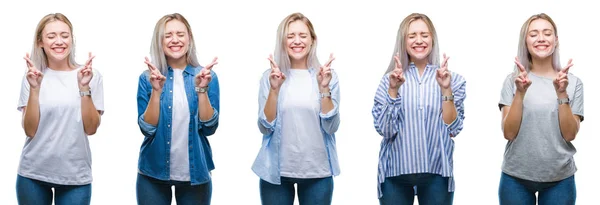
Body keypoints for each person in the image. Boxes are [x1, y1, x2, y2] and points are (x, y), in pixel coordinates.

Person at [372, 13, 466, 205]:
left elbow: (453, 129)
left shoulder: (453, 79)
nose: (419, 40)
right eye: (412, 35)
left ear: (432, 38)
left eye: (424, 34)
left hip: (437, 172)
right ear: (403, 41)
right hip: (395, 173)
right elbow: (385, 130)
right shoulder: (389, 80)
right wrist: (393, 90)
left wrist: (445, 89)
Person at [251, 12, 341, 205]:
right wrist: (274, 90)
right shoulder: (270, 76)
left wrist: (324, 87)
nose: (296, 41)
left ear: (312, 40)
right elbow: (265, 128)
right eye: (290, 36)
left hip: (318, 171)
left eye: (302, 35)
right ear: (282, 41)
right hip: (275, 172)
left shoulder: (327, 77)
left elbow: (331, 127)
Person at [15, 13, 104, 205]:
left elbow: (91, 129)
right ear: (40, 42)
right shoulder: (32, 76)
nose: (59, 41)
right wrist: (35, 88)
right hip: (33, 175)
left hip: (75, 176)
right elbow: (30, 130)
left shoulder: (90, 75)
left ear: (72, 39)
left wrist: (84, 88)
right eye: (51, 36)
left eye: (65, 35)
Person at [135, 13, 220, 205]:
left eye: (180, 34)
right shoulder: (147, 78)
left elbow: (209, 128)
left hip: (196, 173)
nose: (175, 40)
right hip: (152, 173)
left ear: (189, 38)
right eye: (168, 35)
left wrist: (201, 89)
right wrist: (156, 92)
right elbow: (147, 129)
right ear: (160, 41)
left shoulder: (207, 76)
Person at [497, 13, 582, 205]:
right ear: (525, 41)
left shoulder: (573, 83)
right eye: (534, 34)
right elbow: (508, 133)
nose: (541, 38)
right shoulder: (513, 81)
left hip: (560, 179)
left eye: (547, 33)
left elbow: (570, 134)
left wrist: (562, 94)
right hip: (515, 178)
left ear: (556, 40)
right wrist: (520, 93)